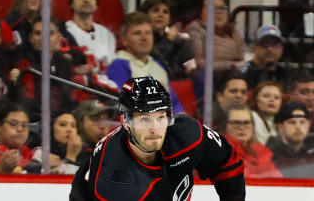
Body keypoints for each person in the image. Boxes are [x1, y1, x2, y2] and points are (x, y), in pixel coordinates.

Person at [69, 76, 245, 200]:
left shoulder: (186, 133)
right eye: (144, 119)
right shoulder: (115, 180)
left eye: (160, 117)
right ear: (125, 121)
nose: (155, 129)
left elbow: (226, 162)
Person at [106, 11, 184, 113]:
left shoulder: (158, 64)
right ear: (124, 39)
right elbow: (126, 106)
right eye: (137, 33)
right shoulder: (118, 65)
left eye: (148, 33)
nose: (144, 38)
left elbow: (175, 103)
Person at [10, 17, 74, 121]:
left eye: (50, 33)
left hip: (58, 121)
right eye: (38, 33)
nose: (44, 37)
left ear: (58, 37)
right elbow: (25, 103)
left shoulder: (64, 63)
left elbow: (67, 100)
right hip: (31, 121)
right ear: (31, 38)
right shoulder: (23, 63)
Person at [140, 0, 196, 80]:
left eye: (165, 12)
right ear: (145, 15)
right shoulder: (142, 38)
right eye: (156, 11)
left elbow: (189, 62)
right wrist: (169, 40)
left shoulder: (178, 41)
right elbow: (155, 62)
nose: (161, 15)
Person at [183, 0, 246, 70]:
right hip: (212, 75)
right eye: (213, 8)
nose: (219, 12)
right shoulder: (195, 29)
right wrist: (233, 65)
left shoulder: (231, 29)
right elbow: (199, 63)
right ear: (202, 12)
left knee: (254, 69)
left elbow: (242, 56)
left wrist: (245, 67)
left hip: (237, 71)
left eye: (222, 8)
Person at [222, 103, 282, 178]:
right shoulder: (221, 151)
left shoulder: (261, 151)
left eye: (246, 123)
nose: (241, 127)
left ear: (253, 126)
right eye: (236, 123)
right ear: (225, 126)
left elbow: (277, 179)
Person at [61, 0, 116, 73]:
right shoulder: (63, 32)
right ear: (71, 4)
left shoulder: (107, 34)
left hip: (105, 81)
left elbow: (111, 66)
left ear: (96, 5)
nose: (86, 0)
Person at [27, 110, 91, 174]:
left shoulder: (88, 153)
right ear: (51, 129)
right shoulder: (40, 153)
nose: (69, 129)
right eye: (62, 125)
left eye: (73, 126)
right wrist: (70, 158)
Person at [0, 103, 33, 173]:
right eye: (13, 124)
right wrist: (1, 170)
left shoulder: (26, 151)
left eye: (24, 125)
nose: (20, 129)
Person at [267, 101, 314, 178]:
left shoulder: (312, 149)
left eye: (302, 122)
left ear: (308, 125)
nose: (298, 127)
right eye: (292, 122)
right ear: (280, 127)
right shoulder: (268, 154)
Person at [239, 25, 288, 89]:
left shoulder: (284, 73)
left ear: (281, 49)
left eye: (275, 45)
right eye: (265, 44)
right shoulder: (243, 69)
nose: (270, 49)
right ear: (254, 48)